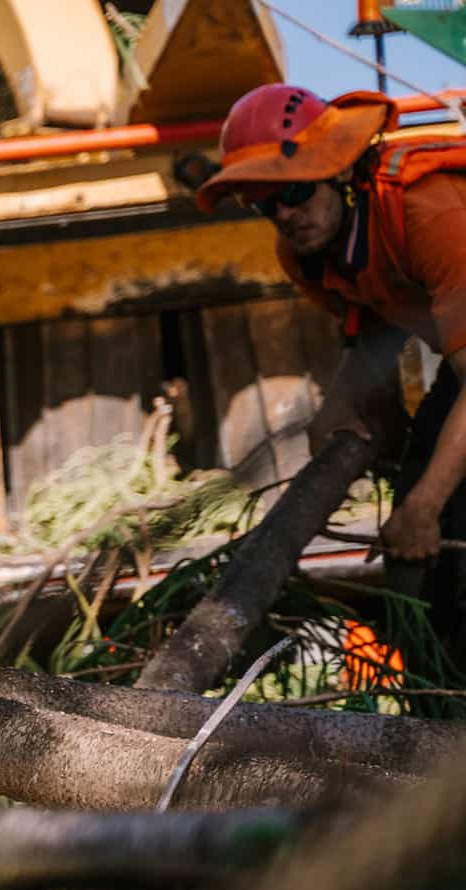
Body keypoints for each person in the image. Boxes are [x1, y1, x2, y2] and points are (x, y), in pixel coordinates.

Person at [197, 85, 466, 648]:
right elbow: (371, 334)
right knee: (424, 519)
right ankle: (436, 703)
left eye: (295, 191)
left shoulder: (423, 209)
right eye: (267, 203)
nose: (287, 216)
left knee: (432, 504)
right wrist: (341, 406)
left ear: (340, 173)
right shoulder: (306, 254)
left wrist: (425, 506)